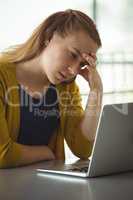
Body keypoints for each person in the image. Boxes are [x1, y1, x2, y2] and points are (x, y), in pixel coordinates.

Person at [0, 9, 103, 168]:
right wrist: (45, 152)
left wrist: (96, 91)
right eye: (73, 54)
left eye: (82, 64)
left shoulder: (66, 88)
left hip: (46, 187)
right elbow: (2, 154)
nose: (74, 71)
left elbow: (83, 149)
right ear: (48, 36)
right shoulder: (2, 77)